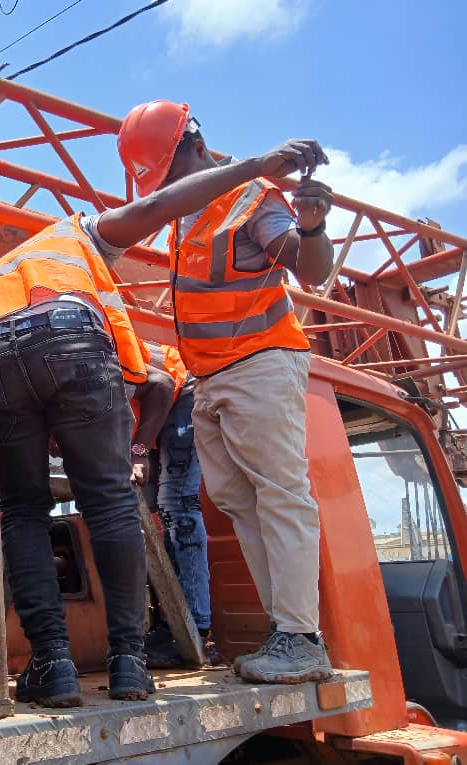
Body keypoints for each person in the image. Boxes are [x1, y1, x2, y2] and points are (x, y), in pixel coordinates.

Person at [0, 133, 330, 706]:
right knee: (107, 501)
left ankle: (52, 667)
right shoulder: (78, 235)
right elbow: (148, 373)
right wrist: (128, 448)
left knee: (23, 511)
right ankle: (129, 664)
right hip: (98, 348)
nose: (161, 192)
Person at [117, 100, 335, 684]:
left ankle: (299, 637)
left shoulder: (253, 198)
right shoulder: (186, 213)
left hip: (260, 362)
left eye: (167, 174)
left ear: (195, 145)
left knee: (281, 492)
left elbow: (307, 268)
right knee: (240, 501)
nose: (165, 188)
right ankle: (288, 632)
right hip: (211, 377)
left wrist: (312, 226)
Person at [132, 341, 218, 668]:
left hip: (183, 390)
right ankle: (176, 621)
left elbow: (163, 384)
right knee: (167, 509)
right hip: (170, 398)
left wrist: (138, 450)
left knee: (177, 504)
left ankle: (194, 625)